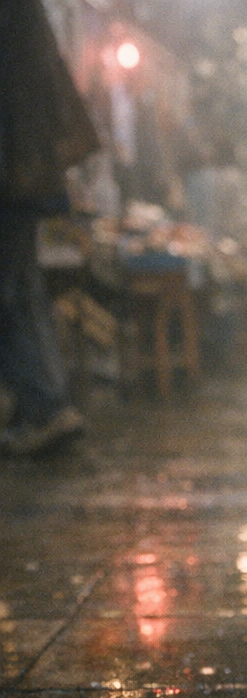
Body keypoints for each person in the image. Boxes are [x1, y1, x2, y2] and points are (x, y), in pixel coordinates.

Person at [0, 0, 98, 455]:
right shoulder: (30, 19)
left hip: (13, 172)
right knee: (22, 287)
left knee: (11, 292)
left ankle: (41, 406)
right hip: (27, 173)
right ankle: (44, 405)